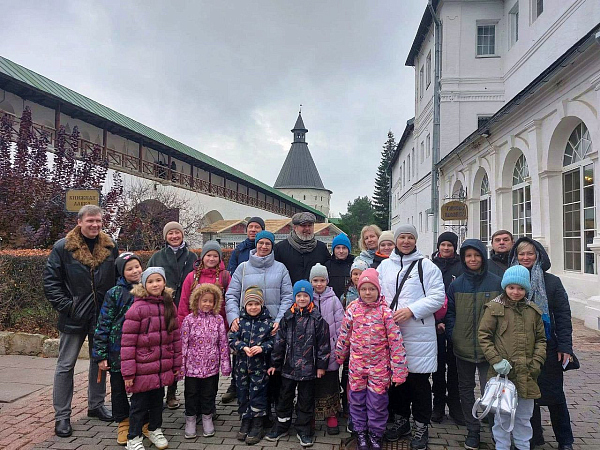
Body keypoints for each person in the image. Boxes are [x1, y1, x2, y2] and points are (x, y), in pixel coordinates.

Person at [43, 205, 119, 437]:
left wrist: (113, 307)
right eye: (90, 221)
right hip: (73, 317)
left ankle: (96, 405)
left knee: (100, 362)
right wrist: (69, 307)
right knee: (65, 365)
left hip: (102, 316)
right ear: (79, 222)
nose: (95, 225)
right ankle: (62, 416)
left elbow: (118, 277)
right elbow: (51, 282)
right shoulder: (63, 247)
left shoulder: (110, 246)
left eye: (98, 221)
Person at [377, 225, 445, 450]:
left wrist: (412, 310)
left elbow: (438, 297)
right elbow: (377, 295)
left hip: (419, 334)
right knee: (398, 382)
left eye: (410, 237)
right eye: (402, 237)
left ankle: (421, 426)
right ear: (396, 240)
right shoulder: (385, 266)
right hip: (391, 334)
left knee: (419, 383)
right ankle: (402, 421)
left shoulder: (427, 266)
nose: (405, 241)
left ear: (415, 240)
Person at [508, 238, 575, 450]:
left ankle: (565, 440)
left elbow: (563, 315)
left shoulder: (552, 282)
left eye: (530, 253)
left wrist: (565, 346)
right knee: (527, 394)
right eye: (521, 254)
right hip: (521, 347)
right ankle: (534, 436)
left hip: (548, 346)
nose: (526, 257)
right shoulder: (510, 281)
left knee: (555, 395)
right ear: (515, 257)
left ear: (538, 256)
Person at [336, 268, 408, 450]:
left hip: (379, 368)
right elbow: (344, 335)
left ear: (378, 290)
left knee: (377, 403)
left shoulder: (386, 313)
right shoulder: (352, 310)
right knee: (356, 401)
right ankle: (360, 433)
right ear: (358, 290)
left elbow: (396, 343)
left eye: (372, 289)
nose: (368, 293)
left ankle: (376, 435)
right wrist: (339, 356)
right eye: (364, 289)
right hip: (357, 367)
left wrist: (399, 371)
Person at [478, 265, 547, 450]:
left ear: (526, 289)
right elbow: (484, 336)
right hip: (503, 374)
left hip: (527, 373)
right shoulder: (494, 308)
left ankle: (523, 446)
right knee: (502, 417)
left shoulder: (533, 311)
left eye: (520, 288)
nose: (516, 292)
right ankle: (502, 446)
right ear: (505, 287)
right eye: (511, 287)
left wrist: (536, 362)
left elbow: (541, 339)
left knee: (524, 418)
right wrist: (496, 360)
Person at [226, 230, 294, 416]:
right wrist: (233, 317)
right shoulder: (243, 268)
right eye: (261, 243)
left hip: (271, 330)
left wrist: (279, 320)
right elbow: (231, 295)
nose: (264, 246)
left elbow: (287, 296)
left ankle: (271, 411)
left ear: (272, 246)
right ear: (255, 244)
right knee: (248, 375)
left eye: (267, 244)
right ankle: (250, 413)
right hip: (247, 329)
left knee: (272, 371)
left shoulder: (280, 268)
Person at [445, 239, 502, 450]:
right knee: (466, 390)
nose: (473, 259)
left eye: (476, 255)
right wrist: (454, 334)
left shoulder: (496, 283)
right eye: (468, 256)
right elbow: (450, 313)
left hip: (490, 350)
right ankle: (473, 430)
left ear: (482, 257)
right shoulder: (456, 284)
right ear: (463, 258)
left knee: (491, 390)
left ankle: (496, 429)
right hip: (463, 347)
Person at [121, 267, 182, 450]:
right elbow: (128, 343)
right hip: (142, 367)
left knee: (157, 402)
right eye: (150, 281)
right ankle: (133, 437)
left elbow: (176, 337)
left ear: (164, 282)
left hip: (162, 366)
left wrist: (176, 364)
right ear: (144, 284)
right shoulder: (137, 309)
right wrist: (128, 373)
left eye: (158, 280)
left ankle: (155, 429)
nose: (155, 284)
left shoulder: (169, 305)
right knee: (139, 405)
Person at [266, 280, 330, 448]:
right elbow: (279, 343)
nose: (302, 299)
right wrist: (275, 364)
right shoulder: (287, 318)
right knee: (284, 397)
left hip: (309, 369)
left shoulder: (317, 319)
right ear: (294, 297)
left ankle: (304, 429)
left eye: (305, 295)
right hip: (289, 367)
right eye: (299, 295)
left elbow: (323, 345)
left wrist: (321, 366)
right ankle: (281, 425)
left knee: (305, 400)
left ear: (311, 297)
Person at [92, 252, 145, 445]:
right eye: (129, 269)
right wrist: (100, 355)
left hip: (142, 349)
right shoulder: (114, 293)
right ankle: (123, 422)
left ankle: (144, 421)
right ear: (122, 272)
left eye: (137, 266)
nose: (135, 271)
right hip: (118, 350)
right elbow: (103, 323)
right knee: (118, 388)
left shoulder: (148, 288)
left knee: (143, 387)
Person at [148, 221, 197, 409]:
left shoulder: (191, 256)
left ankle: (172, 392)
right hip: (162, 308)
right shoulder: (157, 257)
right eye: (170, 233)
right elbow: (148, 281)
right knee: (161, 350)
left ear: (182, 235)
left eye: (177, 233)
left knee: (177, 350)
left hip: (184, 308)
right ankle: (157, 392)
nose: (174, 236)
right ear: (165, 237)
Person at [181, 283, 231, 440]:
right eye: (204, 300)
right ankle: (190, 419)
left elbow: (223, 344)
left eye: (211, 301)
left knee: (209, 393)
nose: (207, 304)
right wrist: (181, 366)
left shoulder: (218, 320)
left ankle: (207, 417)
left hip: (211, 366)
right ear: (196, 301)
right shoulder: (189, 320)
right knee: (191, 394)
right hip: (192, 367)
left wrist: (225, 365)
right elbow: (183, 344)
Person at [229, 287, 275, 445]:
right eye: (250, 304)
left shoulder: (268, 323)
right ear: (245, 306)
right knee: (242, 394)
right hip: (241, 367)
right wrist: (242, 347)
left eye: (256, 304)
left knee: (258, 395)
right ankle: (245, 420)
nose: (253, 307)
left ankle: (257, 424)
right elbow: (232, 339)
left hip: (259, 369)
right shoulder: (239, 322)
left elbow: (274, 342)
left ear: (261, 305)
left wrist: (262, 348)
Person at [430, 232, 464, 425]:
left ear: (454, 247)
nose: (446, 248)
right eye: (443, 245)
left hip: (455, 322)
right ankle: (438, 404)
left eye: (449, 245)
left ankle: (455, 403)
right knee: (437, 366)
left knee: (454, 366)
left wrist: (449, 321)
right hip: (434, 322)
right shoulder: (431, 265)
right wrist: (437, 321)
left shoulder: (461, 266)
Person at [310, 263, 344, 435]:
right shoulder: (306, 299)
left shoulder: (334, 300)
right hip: (310, 350)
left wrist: (338, 345)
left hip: (330, 349)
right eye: (315, 280)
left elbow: (340, 324)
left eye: (322, 280)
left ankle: (331, 414)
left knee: (330, 383)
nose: (319, 284)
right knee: (312, 384)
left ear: (327, 281)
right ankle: (311, 415)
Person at [178, 240, 230, 327]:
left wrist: (226, 326)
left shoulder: (225, 276)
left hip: (218, 327)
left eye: (215, 256)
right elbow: (184, 302)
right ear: (203, 257)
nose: (211, 259)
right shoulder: (191, 277)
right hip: (194, 327)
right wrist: (183, 326)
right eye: (208, 255)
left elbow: (229, 302)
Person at [274, 212, 330, 284]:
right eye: (303, 225)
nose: (307, 228)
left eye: (310, 225)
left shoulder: (321, 248)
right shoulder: (280, 248)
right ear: (295, 227)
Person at [324, 233, 355, 299]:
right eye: (338, 248)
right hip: (331, 301)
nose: (341, 251)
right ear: (334, 249)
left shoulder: (354, 264)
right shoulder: (327, 266)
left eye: (344, 248)